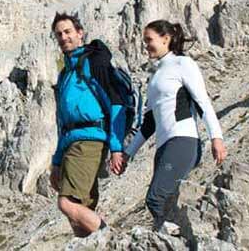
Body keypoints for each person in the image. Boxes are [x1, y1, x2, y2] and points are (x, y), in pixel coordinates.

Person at [120, 20, 227, 229]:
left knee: (156, 198)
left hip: (183, 141)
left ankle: (180, 239)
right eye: (144, 41)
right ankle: (184, 236)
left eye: (149, 40)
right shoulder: (155, 76)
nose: (146, 45)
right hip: (164, 146)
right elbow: (149, 124)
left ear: (166, 39)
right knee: (166, 200)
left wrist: (217, 137)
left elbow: (202, 101)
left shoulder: (182, 64)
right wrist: (128, 154)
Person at [49, 12, 127, 237]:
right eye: (59, 34)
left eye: (68, 32)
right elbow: (62, 123)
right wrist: (56, 161)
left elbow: (115, 102)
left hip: (89, 140)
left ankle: (113, 240)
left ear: (80, 33)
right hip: (72, 142)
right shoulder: (66, 74)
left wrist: (116, 147)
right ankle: (95, 241)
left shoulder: (94, 61)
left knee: (66, 203)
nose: (64, 37)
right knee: (79, 220)